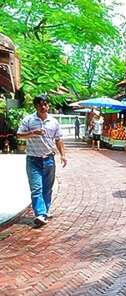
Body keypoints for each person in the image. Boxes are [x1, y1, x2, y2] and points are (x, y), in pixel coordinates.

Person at [17, 94, 67, 227]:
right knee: (36, 188)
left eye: (46, 104)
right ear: (36, 106)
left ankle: (44, 211)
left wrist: (63, 155)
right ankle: (40, 213)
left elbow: (59, 139)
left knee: (47, 188)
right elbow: (19, 135)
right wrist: (34, 133)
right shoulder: (28, 120)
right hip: (33, 160)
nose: (44, 107)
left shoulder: (54, 122)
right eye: (41, 104)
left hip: (49, 159)